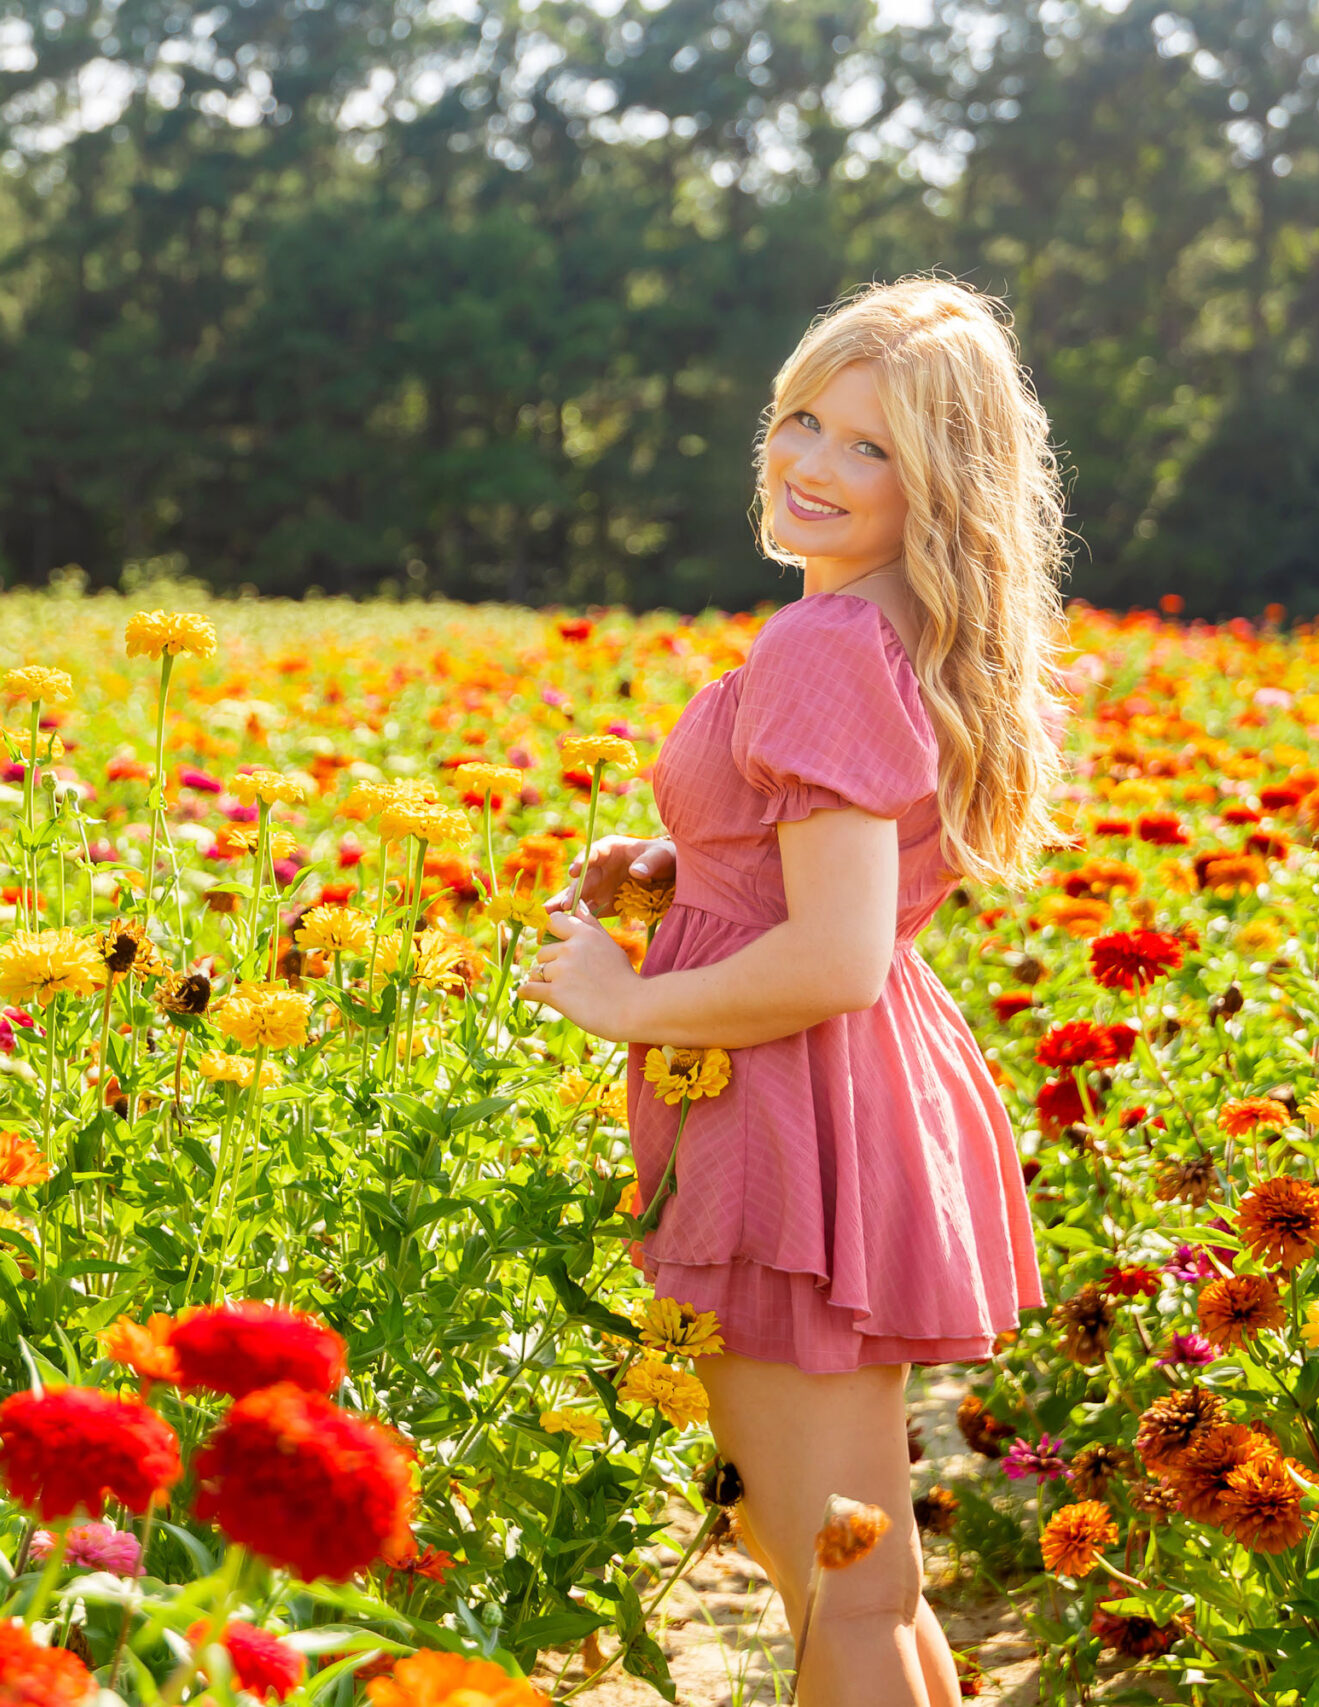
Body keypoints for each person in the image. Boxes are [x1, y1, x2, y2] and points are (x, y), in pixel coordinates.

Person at [517, 275, 1068, 1707]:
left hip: (791, 1109)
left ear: (943, 485)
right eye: (804, 422)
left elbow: (833, 951)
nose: (813, 466)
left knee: (833, 1577)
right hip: (842, 1089)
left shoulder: (824, 644)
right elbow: (828, 872)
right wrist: (678, 868)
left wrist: (622, 1001)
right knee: (853, 1569)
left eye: (870, 448)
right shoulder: (895, 628)